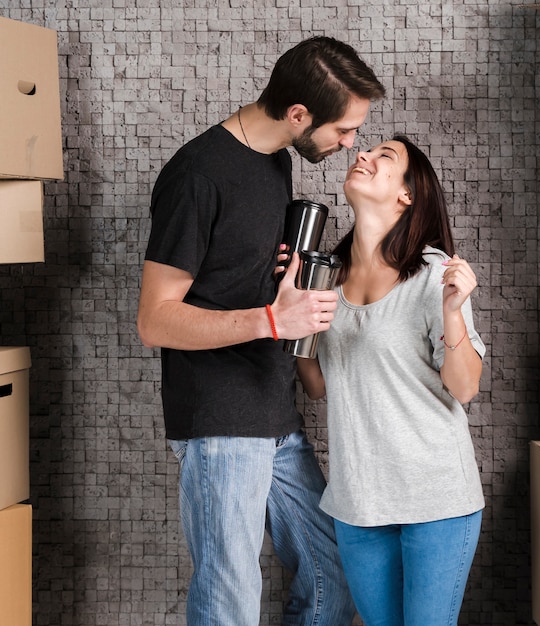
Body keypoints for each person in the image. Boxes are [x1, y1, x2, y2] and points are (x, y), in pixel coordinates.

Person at [136, 36, 385, 626]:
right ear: (298, 115)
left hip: (273, 409)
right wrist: (272, 319)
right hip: (221, 420)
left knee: (331, 572)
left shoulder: (275, 159)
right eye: (345, 130)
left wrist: (279, 279)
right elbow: (155, 319)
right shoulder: (197, 175)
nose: (351, 144)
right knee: (230, 599)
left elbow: (235, 271)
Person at [294, 136, 486, 626]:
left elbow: (464, 388)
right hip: (359, 502)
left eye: (385, 158)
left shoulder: (433, 274)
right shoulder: (325, 278)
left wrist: (453, 313)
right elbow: (318, 385)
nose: (363, 156)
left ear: (407, 195)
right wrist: (290, 316)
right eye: (367, 151)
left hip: (436, 499)